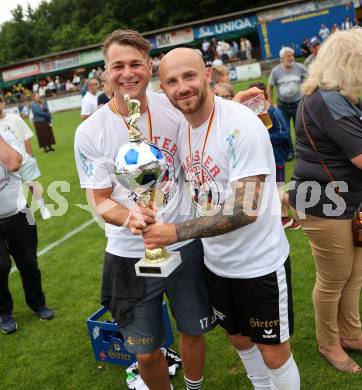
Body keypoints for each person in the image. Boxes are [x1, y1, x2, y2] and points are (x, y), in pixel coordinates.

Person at [142, 47, 300, 389]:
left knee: (274, 353)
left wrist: (175, 232)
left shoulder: (242, 125)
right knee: (240, 340)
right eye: (171, 81)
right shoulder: (182, 130)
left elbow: (247, 208)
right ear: (164, 89)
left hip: (258, 264)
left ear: (207, 76)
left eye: (189, 76)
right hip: (217, 264)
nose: (182, 86)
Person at [74, 30, 215, 390]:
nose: (127, 73)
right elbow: (100, 198)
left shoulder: (172, 105)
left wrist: (242, 105)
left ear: (148, 66)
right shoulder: (90, 131)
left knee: (192, 331)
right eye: (117, 65)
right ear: (105, 72)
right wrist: (130, 216)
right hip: (127, 253)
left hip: (184, 243)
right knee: (147, 353)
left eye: (135, 63)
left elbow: (214, 117)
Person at [289, 29, 362, 373]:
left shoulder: (340, 96)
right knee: (334, 278)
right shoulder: (328, 98)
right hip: (325, 201)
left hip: (348, 200)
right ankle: (329, 343)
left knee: (354, 275)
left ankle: (351, 334)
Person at [0, 128, 54, 335]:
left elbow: (13, 163)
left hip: (18, 212)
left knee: (29, 263)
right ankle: (4, 312)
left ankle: (37, 304)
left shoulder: (6, 134)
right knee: (0, 266)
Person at [248, 82, 299, 230]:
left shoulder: (274, 112)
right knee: (275, 188)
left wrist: (264, 137)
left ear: (263, 95)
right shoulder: (257, 112)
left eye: (256, 96)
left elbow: (284, 134)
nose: (253, 99)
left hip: (277, 156)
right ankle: (285, 218)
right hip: (266, 158)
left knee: (278, 189)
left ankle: (301, 211)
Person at [0, 96, 51, 220]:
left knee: (32, 185)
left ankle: (44, 209)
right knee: (10, 192)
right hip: (5, 166)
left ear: (2, 103)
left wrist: (29, 155)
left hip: (23, 159)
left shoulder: (15, 118)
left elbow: (26, 137)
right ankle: (18, 214)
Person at [267, 47, 308, 160]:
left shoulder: (300, 67)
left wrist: (307, 94)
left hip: (298, 103)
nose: (291, 58)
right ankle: (289, 152)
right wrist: (271, 103)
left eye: (292, 55)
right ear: (281, 58)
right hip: (282, 105)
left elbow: (310, 79)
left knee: (300, 128)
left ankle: (302, 151)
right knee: (285, 130)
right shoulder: (276, 71)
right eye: (288, 56)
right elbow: (269, 87)